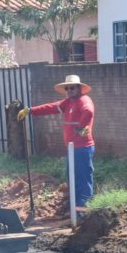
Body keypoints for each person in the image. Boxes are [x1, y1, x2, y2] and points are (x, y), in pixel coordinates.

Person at [18, 74, 96, 210]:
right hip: (72, 148)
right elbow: (51, 107)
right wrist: (30, 110)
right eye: (67, 88)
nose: (69, 90)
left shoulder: (84, 100)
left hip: (82, 147)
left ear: (79, 88)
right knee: (72, 178)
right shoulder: (68, 102)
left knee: (83, 179)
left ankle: (84, 210)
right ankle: (76, 209)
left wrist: (81, 126)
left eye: (72, 88)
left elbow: (88, 112)